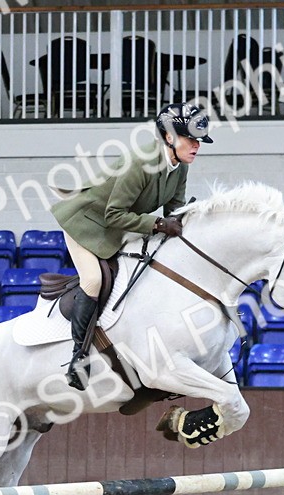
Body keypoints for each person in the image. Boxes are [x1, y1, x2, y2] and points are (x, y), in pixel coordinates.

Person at [50, 102, 214, 389]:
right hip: (86, 224)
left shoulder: (179, 165)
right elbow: (114, 214)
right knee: (93, 280)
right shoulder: (141, 163)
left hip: (118, 228)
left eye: (198, 140)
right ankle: (78, 357)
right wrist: (160, 225)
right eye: (190, 139)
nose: (196, 145)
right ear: (169, 138)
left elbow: (173, 208)